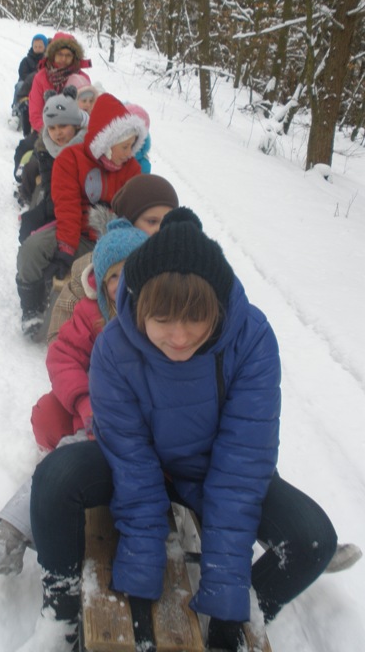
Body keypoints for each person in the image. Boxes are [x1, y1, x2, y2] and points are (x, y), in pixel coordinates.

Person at [24, 207, 342, 652]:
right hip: (137, 464)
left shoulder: (250, 339)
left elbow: (242, 463)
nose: (178, 337)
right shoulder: (115, 347)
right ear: (141, 308)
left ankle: (243, 621)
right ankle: (61, 610)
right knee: (55, 478)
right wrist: (142, 560)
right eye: (163, 320)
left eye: (195, 319)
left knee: (312, 539)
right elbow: (129, 455)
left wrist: (227, 599)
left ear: (217, 308)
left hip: (213, 468)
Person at [0, 219, 148, 577]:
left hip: (135, 430)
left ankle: (16, 534)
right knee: (51, 432)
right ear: (100, 282)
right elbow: (63, 356)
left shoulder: (159, 319)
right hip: (95, 418)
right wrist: (85, 402)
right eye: (113, 276)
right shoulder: (92, 315)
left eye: (132, 271)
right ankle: (9, 539)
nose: (124, 283)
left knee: (67, 459)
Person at [16, 93, 145, 338]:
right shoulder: (71, 159)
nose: (129, 153)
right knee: (31, 251)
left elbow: (134, 211)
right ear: (107, 143)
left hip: (113, 239)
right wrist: (66, 248)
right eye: (125, 147)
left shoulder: (132, 169)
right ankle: (32, 306)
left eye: (132, 146)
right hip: (76, 232)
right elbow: (68, 207)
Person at [47, 173, 179, 343]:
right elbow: (59, 335)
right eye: (152, 221)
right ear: (128, 223)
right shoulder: (97, 267)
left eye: (168, 222)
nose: (161, 230)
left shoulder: (179, 265)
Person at [18, 87, 88, 242]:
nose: (57, 133)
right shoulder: (45, 149)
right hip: (55, 201)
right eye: (52, 128)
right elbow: (49, 186)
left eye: (63, 126)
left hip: (81, 206)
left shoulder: (86, 146)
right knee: (28, 224)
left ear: (76, 125)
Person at [28, 33, 92, 134]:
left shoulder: (82, 78)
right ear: (53, 55)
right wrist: (51, 133)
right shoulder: (41, 77)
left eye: (68, 55)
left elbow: (88, 111)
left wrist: (71, 132)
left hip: (74, 132)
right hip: (45, 130)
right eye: (60, 54)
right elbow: (35, 113)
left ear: (74, 57)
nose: (63, 59)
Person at [11, 34, 48, 120]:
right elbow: (22, 74)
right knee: (19, 85)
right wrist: (33, 80)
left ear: (45, 47)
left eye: (40, 47)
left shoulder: (47, 61)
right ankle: (16, 108)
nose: (37, 49)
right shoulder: (26, 60)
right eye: (35, 46)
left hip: (41, 85)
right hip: (27, 84)